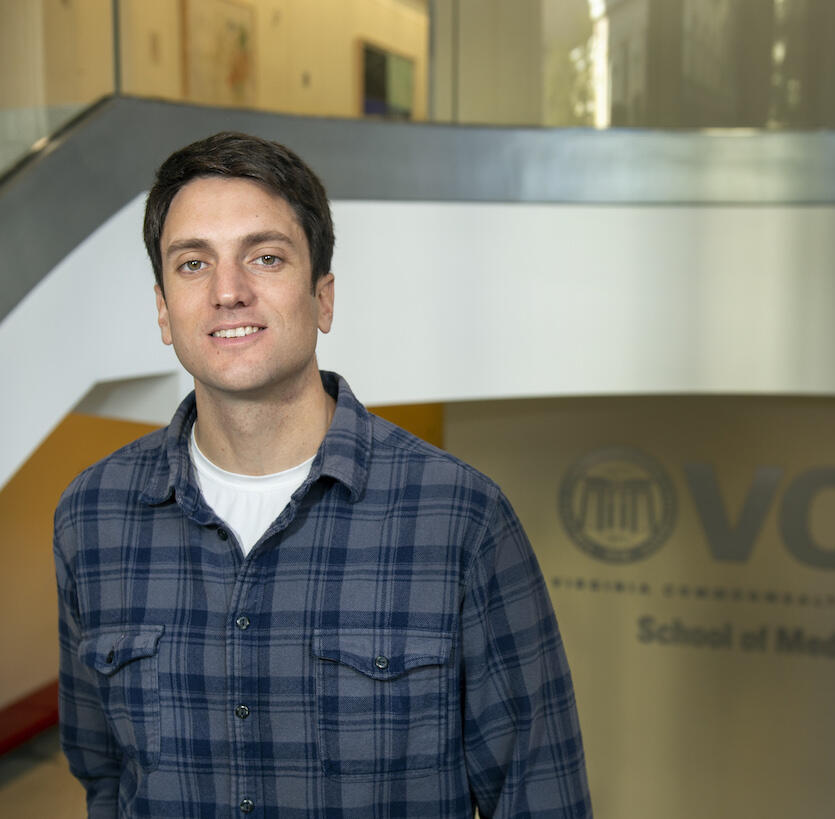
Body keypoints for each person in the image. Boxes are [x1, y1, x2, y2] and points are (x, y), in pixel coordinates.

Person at [54, 131, 591, 817]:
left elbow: (540, 793)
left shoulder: (460, 518)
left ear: (323, 298)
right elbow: (103, 774)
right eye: (193, 263)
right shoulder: (91, 517)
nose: (228, 291)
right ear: (164, 308)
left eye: (265, 257)